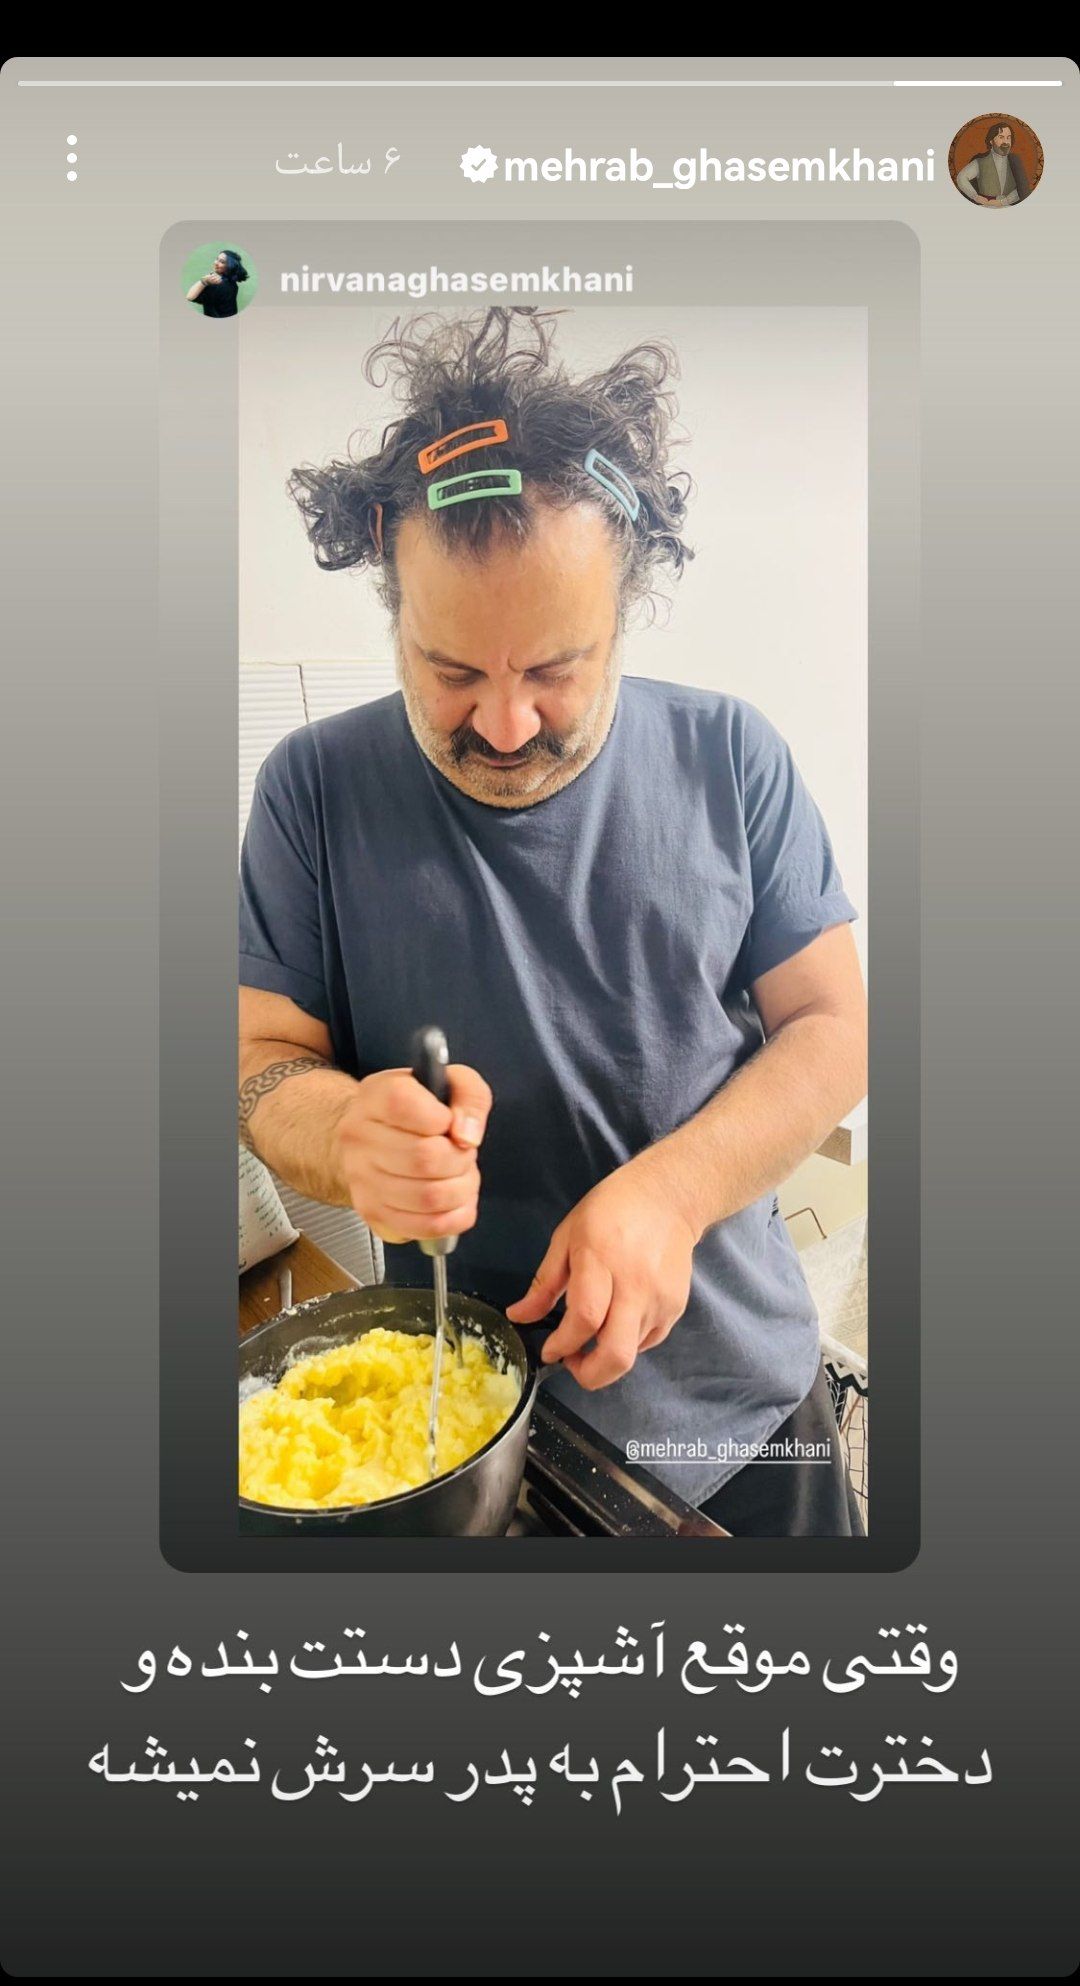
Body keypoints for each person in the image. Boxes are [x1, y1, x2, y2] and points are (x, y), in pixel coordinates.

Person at [238, 306, 869, 1536]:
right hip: (466, 1431)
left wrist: (672, 1194)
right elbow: (260, 1060)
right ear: (392, 597)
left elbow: (836, 1028)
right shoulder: (309, 791)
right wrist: (339, 1131)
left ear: (629, 603)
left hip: (745, 1401)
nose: (506, 725)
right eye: (452, 672)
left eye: (555, 670)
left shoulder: (733, 756)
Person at [955, 123, 1030, 205]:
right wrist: (975, 196)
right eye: (1001, 137)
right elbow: (961, 178)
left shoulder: (1015, 160)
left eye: (1008, 138)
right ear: (991, 141)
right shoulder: (980, 161)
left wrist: (1003, 202)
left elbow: (1022, 188)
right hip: (985, 206)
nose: (1006, 142)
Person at [187, 248, 248, 317]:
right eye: (217, 259)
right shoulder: (233, 284)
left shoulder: (216, 284)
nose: (216, 263)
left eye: (222, 262)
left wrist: (204, 281)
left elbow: (190, 297)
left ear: (229, 266)